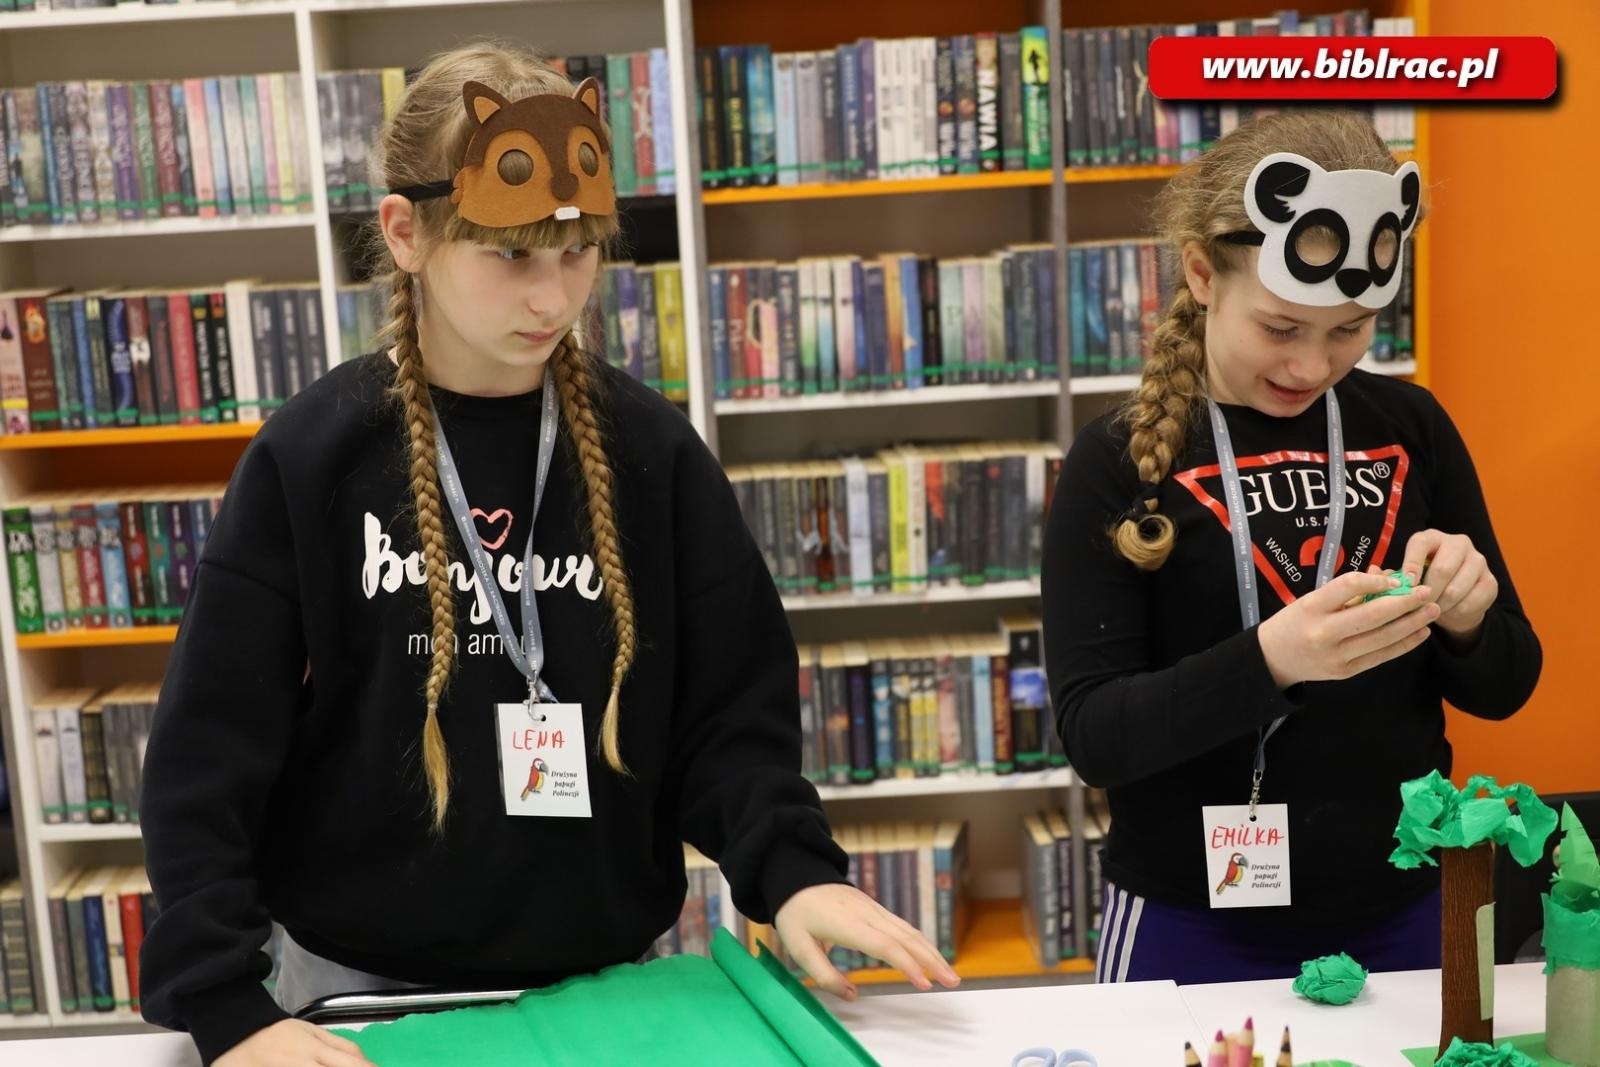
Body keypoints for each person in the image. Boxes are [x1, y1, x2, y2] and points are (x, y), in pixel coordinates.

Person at [138, 42, 956, 1067]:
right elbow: (206, 752)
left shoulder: (649, 449)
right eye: (511, 255)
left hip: (605, 983)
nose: (551, 297)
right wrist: (227, 1005)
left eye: (576, 252)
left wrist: (791, 871)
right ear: (406, 233)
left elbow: (732, 711)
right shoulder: (314, 456)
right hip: (348, 994)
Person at [1041, 109, 1541, 985]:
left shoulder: (1411, 425)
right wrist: (1272, 658)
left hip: (1405, 906)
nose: (1311, 365)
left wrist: (1469, 618)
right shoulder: (1116, 458)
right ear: (1202, 272)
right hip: (1189, 916)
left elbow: (1508, 682)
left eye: (1349, 331)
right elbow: (1095, 735)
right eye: (1280, 328)